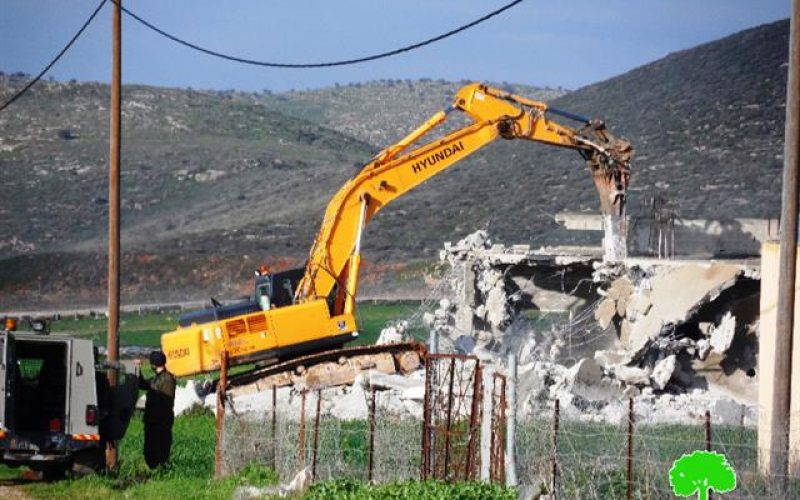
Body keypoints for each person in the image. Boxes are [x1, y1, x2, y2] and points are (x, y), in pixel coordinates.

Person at [134, 351, 176, 469]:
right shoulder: (157, 379)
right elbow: (142, 384)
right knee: (150, 449)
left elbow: (166, 402)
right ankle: (155, 469)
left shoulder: (167, 379)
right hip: (153, 421)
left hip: (161, 422)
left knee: (160, 449)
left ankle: (160, 470)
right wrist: (137, 370)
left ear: (154, 364)